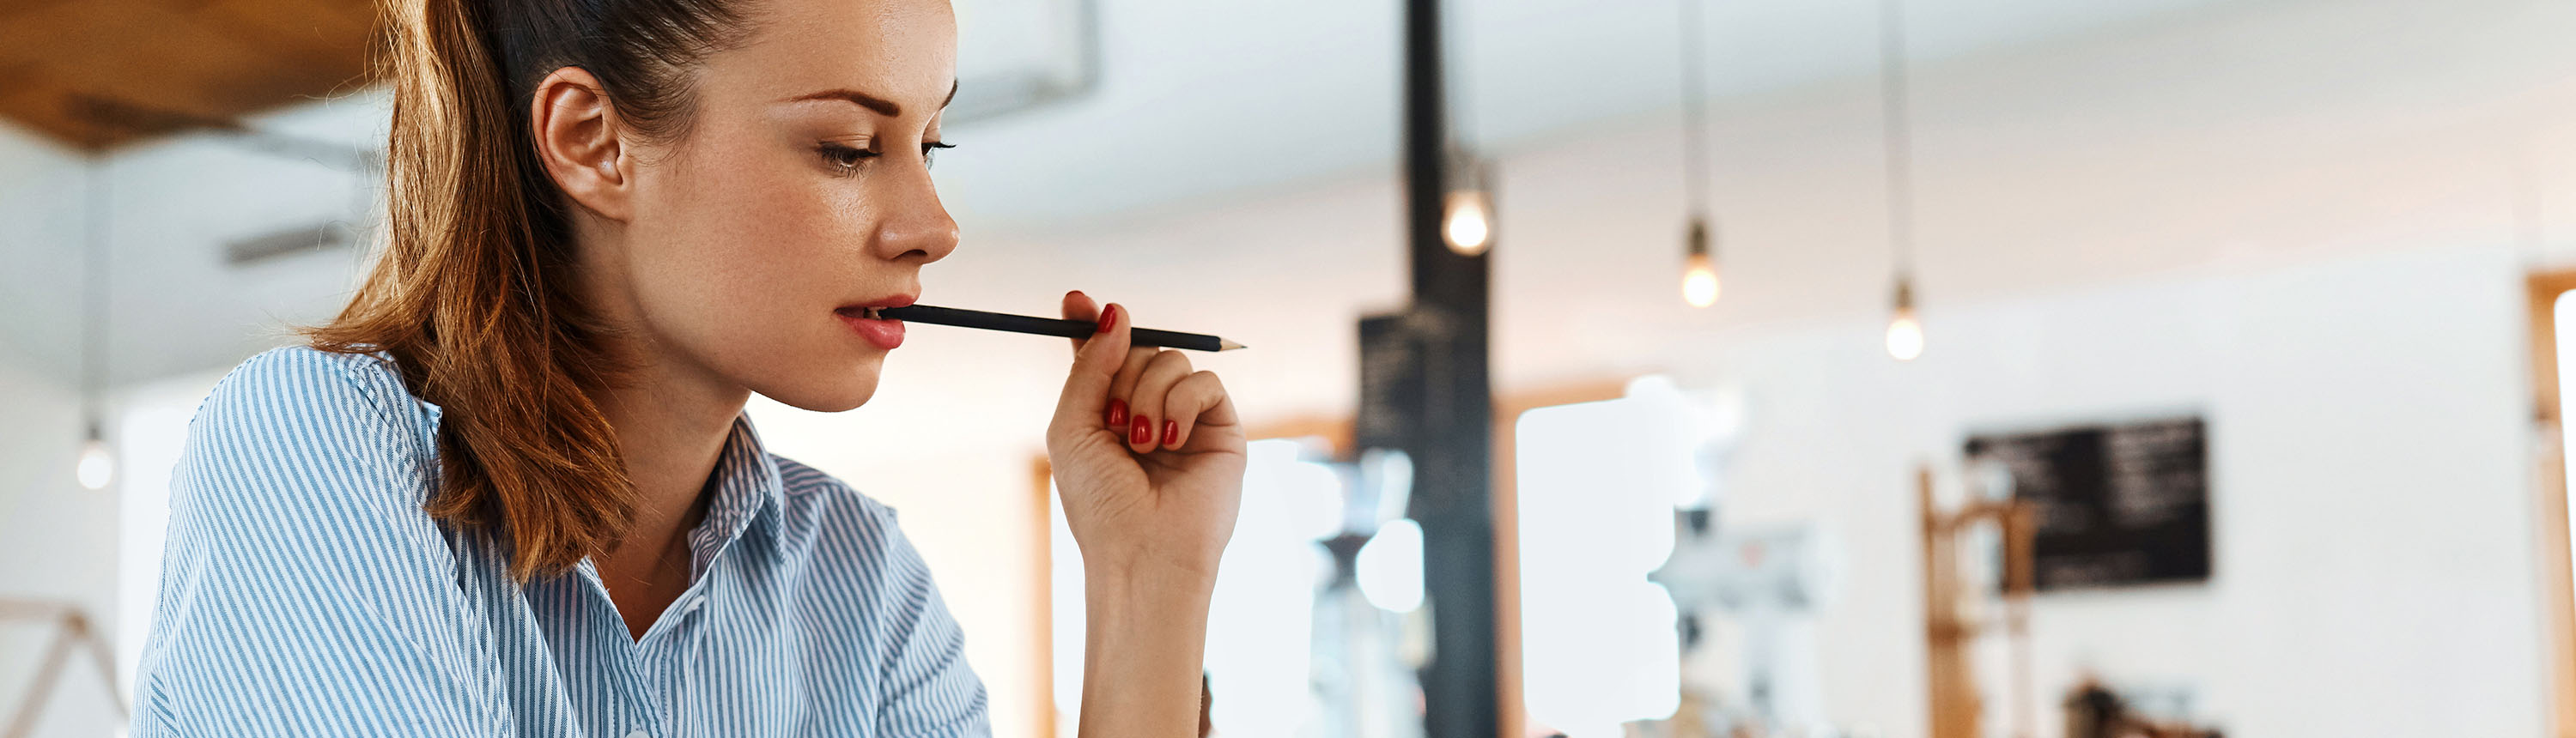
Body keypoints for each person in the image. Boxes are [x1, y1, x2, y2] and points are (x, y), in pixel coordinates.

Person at [127, 0, 1247, 735]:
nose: (932, 225)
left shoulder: (860, 579)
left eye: (929, 145)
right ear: (593, 143)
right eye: (847, 148)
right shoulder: (314, 446)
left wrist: (1151, 586)